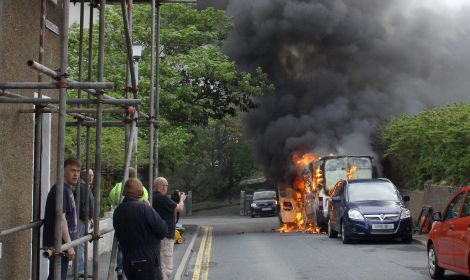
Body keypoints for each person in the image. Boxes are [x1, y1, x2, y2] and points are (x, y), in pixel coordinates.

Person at [113, 178, 168, 280]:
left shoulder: (118, 211)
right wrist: (150, 208)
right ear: (140, 191)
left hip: (129, 262)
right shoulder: (144, 208)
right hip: (148, 262)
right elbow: (162, 230)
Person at [43, 158, 81, 280]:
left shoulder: (67, 188)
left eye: (78, 171)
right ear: (64, 170)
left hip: (63, 243)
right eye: (72, 170)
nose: (76, 174)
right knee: (57, 276)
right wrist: (69, 246)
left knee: (57, 276)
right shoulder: (60, 190)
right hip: (59, 245)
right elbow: (61, 218)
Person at [108, 167, 150, 277]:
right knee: (135, 248)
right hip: (136, 222)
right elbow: (145, 202)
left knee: (121, 247)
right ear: (134, 176)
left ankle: (120, 268)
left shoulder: (116, 188)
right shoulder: (141, 188)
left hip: (120, 219)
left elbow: (111, 200)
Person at [152, 177, 186, 280]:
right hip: (166, 236)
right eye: (166, 186)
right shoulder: (162, 198)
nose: (167, 188)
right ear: (163, 187)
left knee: (160, 263)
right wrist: (181, 199)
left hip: (158, 235)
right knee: (166, 265)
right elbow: (179, 208)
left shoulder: (153, 197)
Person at [74, 168, 94, 278]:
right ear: (84, 176)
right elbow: (80, 206)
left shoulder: (85, 187)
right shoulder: (81, 188)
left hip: (84, 220)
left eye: (92, 175)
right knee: (80, 244)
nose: (92, 177)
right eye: (90, 175)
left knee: (81, 244)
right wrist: (87, 218)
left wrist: (90, 218)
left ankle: (80, 269)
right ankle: (80, 270)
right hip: (81, 220)